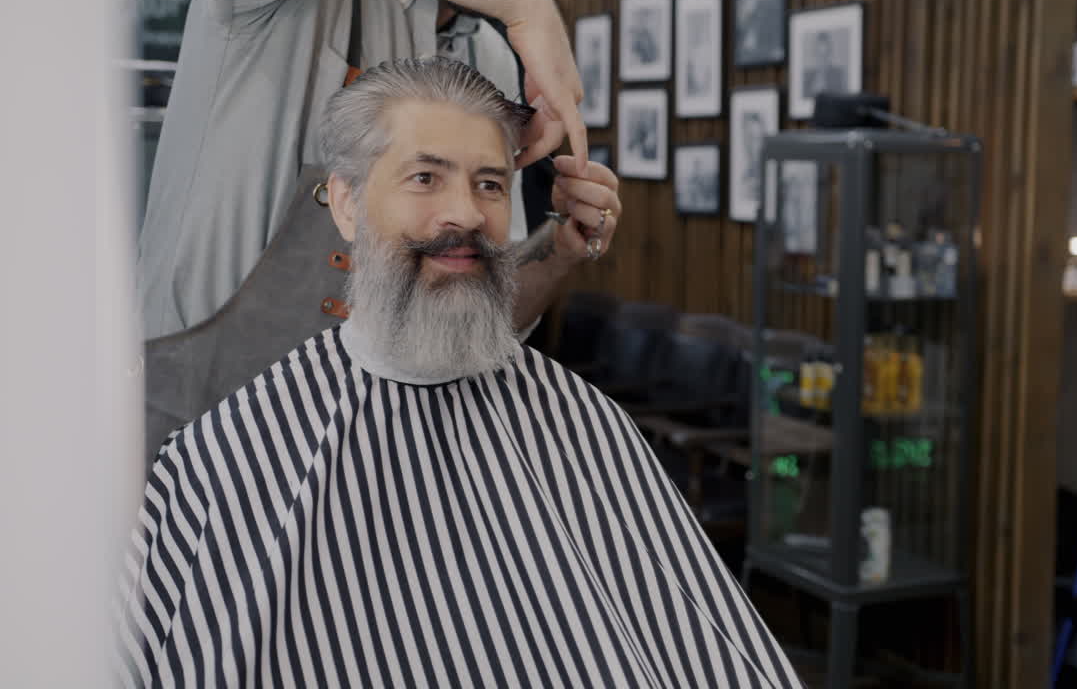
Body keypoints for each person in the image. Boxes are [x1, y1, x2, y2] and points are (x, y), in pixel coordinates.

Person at [117, 57, 802, 688]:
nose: (468, 214)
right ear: (348, 203)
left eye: (490, 184)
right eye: (425, 178)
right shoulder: (231, 453)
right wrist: (525, 2)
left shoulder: (577, 423)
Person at [136, 0, 600, 341]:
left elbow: (483, 312)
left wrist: (557, 249)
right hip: (197, 404)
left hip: (367, 429)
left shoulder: (490, 56)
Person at [803, 31, 847, 98]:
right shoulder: (807, 75)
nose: (822, 60)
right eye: (819, 55)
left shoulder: (838, 74)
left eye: (825, 55)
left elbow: (841, 97)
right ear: (814, 53)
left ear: (830, 53)